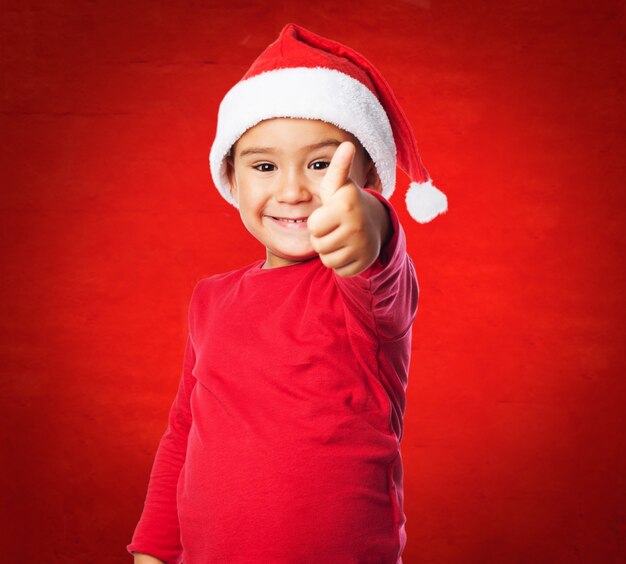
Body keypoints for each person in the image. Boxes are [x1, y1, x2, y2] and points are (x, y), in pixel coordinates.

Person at [127, 22, 447, 564]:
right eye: (265, 166)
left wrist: (369, 220)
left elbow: (381, 256)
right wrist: (155, 547)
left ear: (369, 173)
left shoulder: (364, 293)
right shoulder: (211, 298)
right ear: (231, 176)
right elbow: (184, 430)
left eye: (322, 165)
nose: (294, 190)